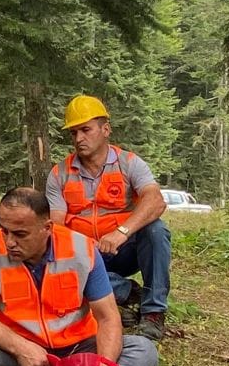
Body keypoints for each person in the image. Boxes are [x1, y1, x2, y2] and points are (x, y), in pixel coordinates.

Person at [0, 187, 157, 366]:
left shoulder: (82, 250)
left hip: (82, 349)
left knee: (144, 351)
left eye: (20, 234)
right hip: (31, 357)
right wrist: (22, 348)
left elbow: (107, 317)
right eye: (4, 230)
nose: (9, 241)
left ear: (46, 228)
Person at [47, 96, 171, 340]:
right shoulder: (58, 173)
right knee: (52, 252)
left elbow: (155, 201)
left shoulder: (129, 163)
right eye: (73, 133)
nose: (79, 139)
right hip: (84, 256)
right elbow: (56, 225)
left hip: (124, 248)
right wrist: (80, 248)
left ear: (105, 130)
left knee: (156, 231)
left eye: (85, 130)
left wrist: (121, 233)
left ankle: (153, 313)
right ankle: (125, 292)